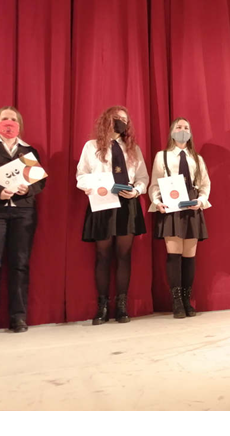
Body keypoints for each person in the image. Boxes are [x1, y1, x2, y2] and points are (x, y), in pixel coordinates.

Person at [0, 107, 47, 337]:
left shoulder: (28, 150)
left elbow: (39, 182)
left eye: (13, 119)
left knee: (20, 265)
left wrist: (27, 190)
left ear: (19, 124)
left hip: (23, 213)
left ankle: (18, 317)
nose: (9, 122)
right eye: (5, 119)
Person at [76, 105, 149, 324]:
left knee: (124, 255)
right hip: (102, 203)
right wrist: (89, 186)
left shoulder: (133, 148)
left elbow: (143, 178)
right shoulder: (91, 146)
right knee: (103, 255)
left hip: (127, 203)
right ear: (106, 120)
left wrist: (136, 190)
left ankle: (122, 306)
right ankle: (103, 306)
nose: (121, 122)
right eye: (117, 118)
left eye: (124, 119)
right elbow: (81, 174)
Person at [148, 117, 211, 318]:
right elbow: (155, 184)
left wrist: (200, 201)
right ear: (172, 132)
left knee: (189, 256)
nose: (182, 130)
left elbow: (204, 184)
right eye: (179, 127)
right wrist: (157, 202)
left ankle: (186, 299)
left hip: (192, 205)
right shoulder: (162, 156)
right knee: (174, 254)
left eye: (186, 127)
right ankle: (176, 301)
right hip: (172, 204)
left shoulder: (197, 158)